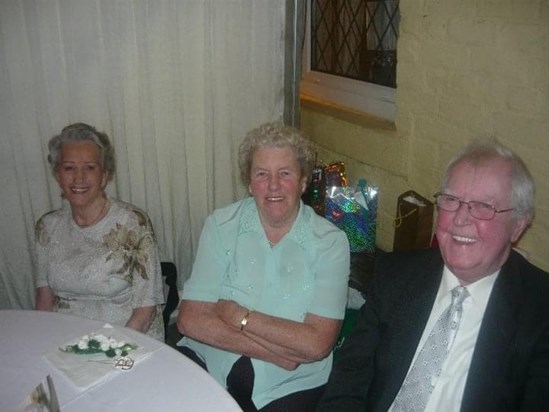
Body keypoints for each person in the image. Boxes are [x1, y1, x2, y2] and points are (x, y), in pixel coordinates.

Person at [317, 139, 549, 411]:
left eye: (484, 206)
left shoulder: (540, 311)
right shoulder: (396, 275)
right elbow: (348, 380)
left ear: (518, 226)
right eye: (451, 200)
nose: (461, 219)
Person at [177, 122, 350, 411]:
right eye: (261, 174)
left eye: (285, 173)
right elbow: (189, 320)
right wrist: (276, 352)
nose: (273, 186)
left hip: (290, 385)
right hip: (211, 364)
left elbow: (317, 343)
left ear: (304, 181)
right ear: (248, 182)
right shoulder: (221, 225)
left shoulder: (331, 243)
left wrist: (237, 315)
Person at [34, 123, 165, 341]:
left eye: (89, 167)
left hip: (127, 339)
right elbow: (43, 299)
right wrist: (43, 345)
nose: (78, 178)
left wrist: (107, 354)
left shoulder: (133, 223)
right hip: (67, 340)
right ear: (58, 175)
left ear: (104, 176)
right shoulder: (47, 227)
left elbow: (145, 311)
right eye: (69, 168)